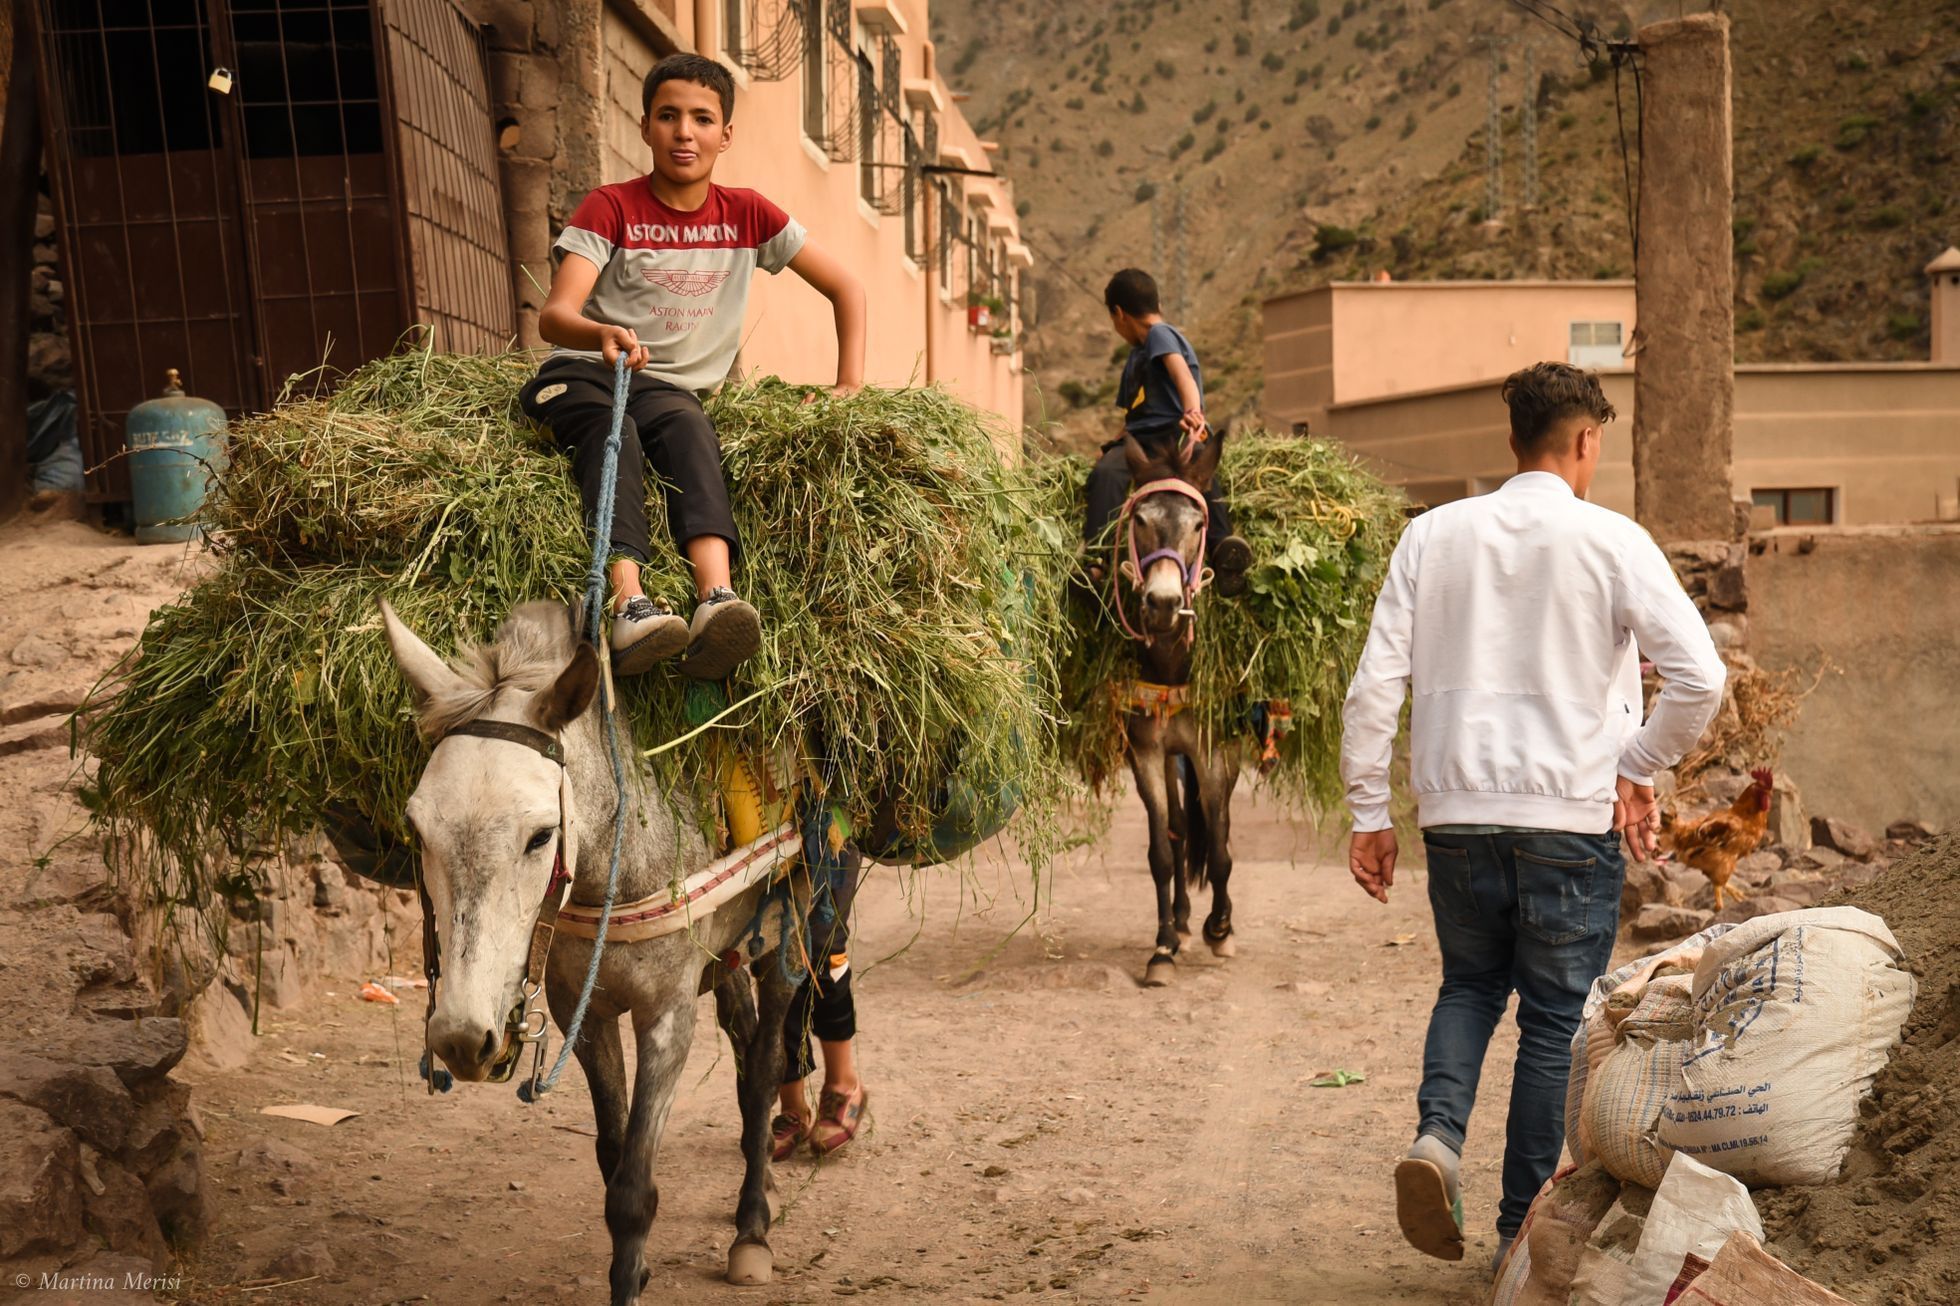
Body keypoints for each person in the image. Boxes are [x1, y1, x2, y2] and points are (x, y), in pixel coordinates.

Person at [1338, 362, 1726, 1271]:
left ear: (1511, 438)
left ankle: (1436, 1139)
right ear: (1588, 441)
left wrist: (1369, 811)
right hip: (1570, 818)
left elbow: (1372, 687)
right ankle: (1518, 1229)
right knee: (1553, 1019)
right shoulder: (1614, 541)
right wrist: (1636, 765)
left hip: (1457, 815)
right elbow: (1701, 679)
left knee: (1468, 986)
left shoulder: (1430, 537)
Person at [522, 53, 866, 680]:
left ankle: (717, 600)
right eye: (669, 116)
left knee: (690, 429)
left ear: (725, 135)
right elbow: (554, 316)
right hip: (584, 373)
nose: (686, 132)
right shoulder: (611, 207)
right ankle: (628, 605)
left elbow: (848, 288)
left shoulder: (748, 214)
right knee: (612, 430)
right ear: (647, 127)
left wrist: (848, 387)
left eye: (703, 119)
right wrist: (601, 330)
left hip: (670, 389)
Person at [1082, 268, 1251, 596]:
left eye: (1114, 321)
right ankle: (1096, 559)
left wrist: (1192, 412)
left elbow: (1182, 376)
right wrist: (1112, 445)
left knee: (1202, 465)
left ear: (1119, 314)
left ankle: (1221, 547)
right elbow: (1133, 415)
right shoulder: (1136, 357)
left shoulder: (1159, 335)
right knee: (1106, 471)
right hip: (1141, 438)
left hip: (1172, 432)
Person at [772, 836, 868, 1159]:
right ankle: (792, 1103)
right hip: (764, 822)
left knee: (824, 946)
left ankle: (843, 1083)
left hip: (831, 820)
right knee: (776, 956)